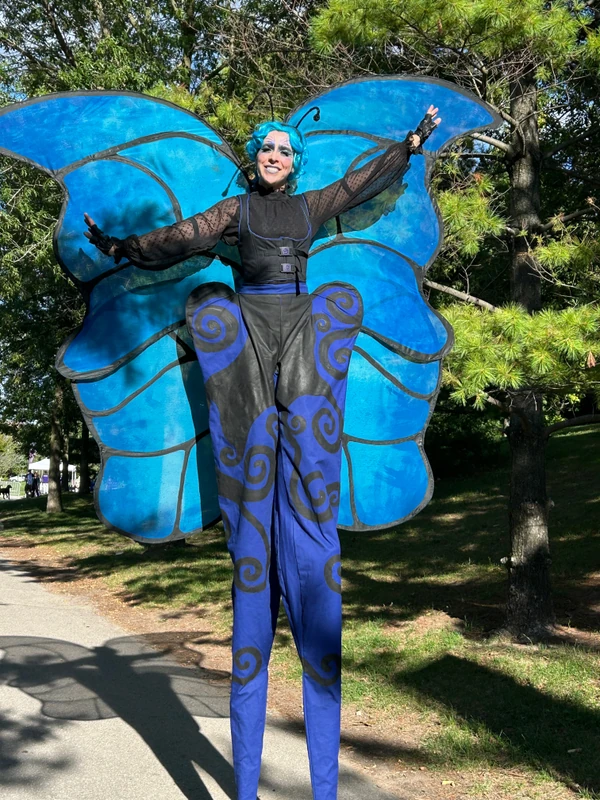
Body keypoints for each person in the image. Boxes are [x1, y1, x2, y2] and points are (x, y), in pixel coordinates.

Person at [84, 105, 441, 800]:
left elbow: (361, 186)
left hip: (302, 338)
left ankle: (326, 788)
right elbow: (180, 240)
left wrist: (410, 143)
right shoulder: (235, 213)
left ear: (295, 162)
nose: (275, 155)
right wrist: (124, 248)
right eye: (267, 148)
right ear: (255, 158)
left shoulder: (309, 209)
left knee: (312, 516)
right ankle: (243, 789)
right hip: (246, 338)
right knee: (214, 315)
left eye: (285, 149)